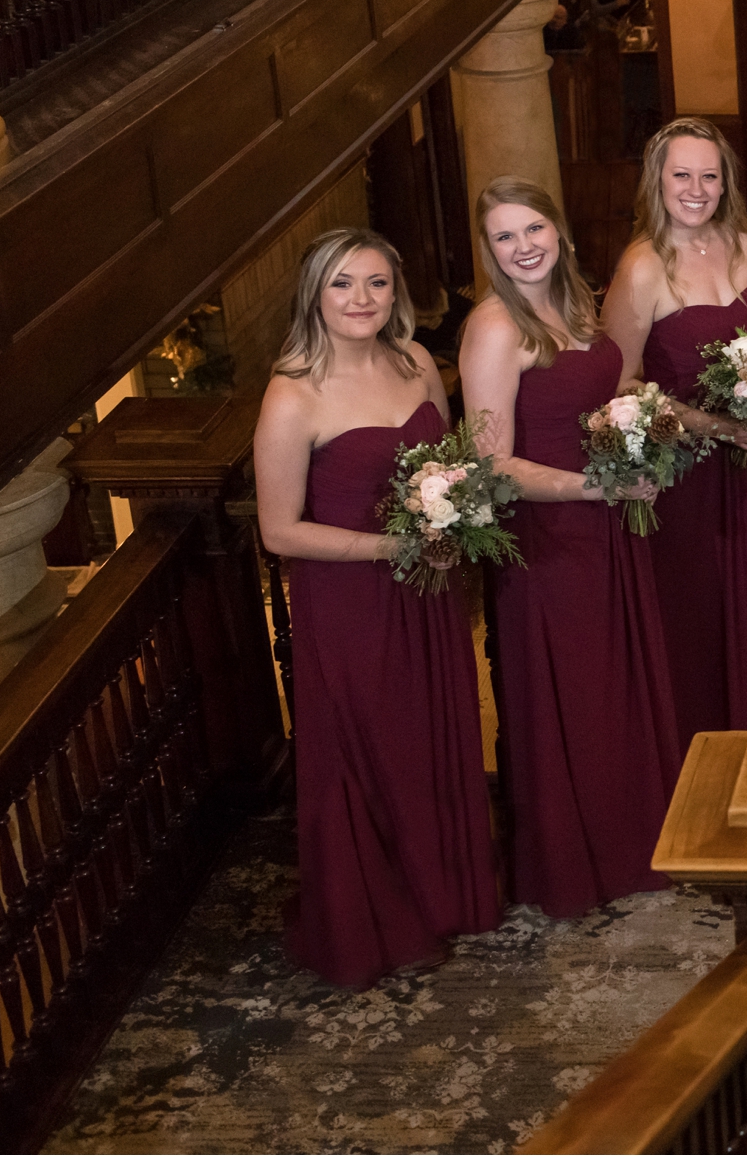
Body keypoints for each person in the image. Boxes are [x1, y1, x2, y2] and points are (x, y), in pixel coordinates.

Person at [252, 227, 497, 988]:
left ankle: (445, 891)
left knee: (432, 732)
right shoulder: (293, 393)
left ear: (398, 292)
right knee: (373, 743)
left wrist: (453, 515)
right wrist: (389, 550)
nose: (361, 300)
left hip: (428, 594)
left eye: (377, 284)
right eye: (342, 285)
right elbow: (277, 528)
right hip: (351, 602)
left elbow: (451, 464)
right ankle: (375, 911)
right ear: (314, 296)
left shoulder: (418, 362)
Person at [458, 177, 680, 918]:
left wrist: (641, 438)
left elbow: (611, 397)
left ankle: (631, 839)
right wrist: (591, 490)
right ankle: (575, 862)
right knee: (574, 694)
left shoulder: (578, 308)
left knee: (616, 686)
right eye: (505, 237)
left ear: (560, 233)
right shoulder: (496, 327)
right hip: (550, 538)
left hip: (612, 523)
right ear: (489, 252)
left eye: (534, 230)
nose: (524, 247)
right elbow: (492, 463)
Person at [601, 117, 747, 747]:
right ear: (657, 182)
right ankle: (700, 749)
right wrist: (709, 424)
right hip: (683, 475)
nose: (696, 189)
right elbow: (620, 385)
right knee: (698, 610)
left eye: (709, 176)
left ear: (726, 184)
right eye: (681, 175)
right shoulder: (641, 267)